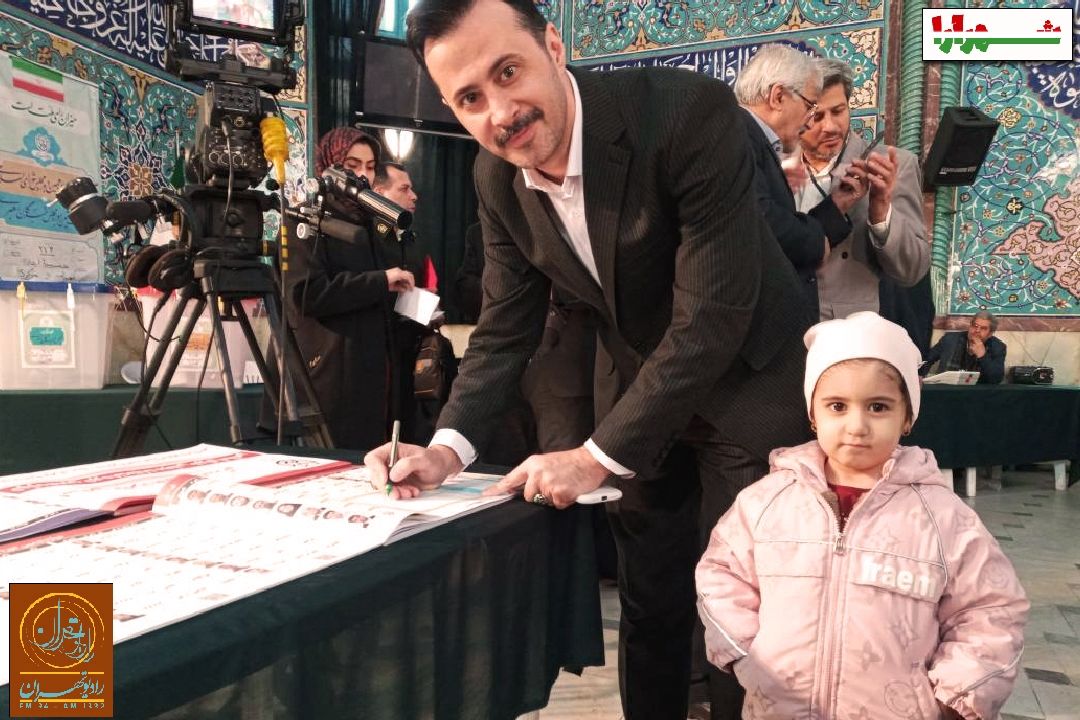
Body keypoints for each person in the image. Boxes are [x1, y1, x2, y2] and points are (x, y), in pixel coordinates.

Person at [364, 1, 811, 718]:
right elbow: (505, 329)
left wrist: (594, 456)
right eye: (470, 98)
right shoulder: (496, 178)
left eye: (508, 72)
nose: (501, 113)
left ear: (552, 44)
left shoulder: (686, 113)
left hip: (749, 382)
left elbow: (712, 317)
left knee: (744, 617)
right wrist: (446, 450)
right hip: (640, 391)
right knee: (651, 600)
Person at [696, 311, 1028, 719]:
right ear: (813, 414)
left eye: (878, 407)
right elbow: (722, 573)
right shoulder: (766, 502)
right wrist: (747, 654)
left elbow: (990, 608)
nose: (857, 426)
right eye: (837, 406)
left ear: (907, 417)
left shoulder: (943, 518)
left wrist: (955, 695)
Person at [284, 128, 416, 449]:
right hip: (327, 376)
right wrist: (380, 281)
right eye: (352, 165)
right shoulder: (304, 219)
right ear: (328, 166)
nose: (362, 175)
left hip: (371, 375)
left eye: (370, 167)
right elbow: (306, 294)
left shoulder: (371, 224)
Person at [736, 45, 870, 312]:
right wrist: (816, 244)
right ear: (778, 97)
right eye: (811, 109)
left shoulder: (753, 140)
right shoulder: (738, 137)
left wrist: (836, 206)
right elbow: (760, 221)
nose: (809, 123)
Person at [794, 59, 930, 321]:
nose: (830, 126)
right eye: (817, 117)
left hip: (849, 331)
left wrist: (881, 214)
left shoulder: (892, 165)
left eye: (839, 111)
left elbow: (912, 270)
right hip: (785, 326)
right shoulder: (775, 165)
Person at [371, 161, 439, 442]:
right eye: (404, 189)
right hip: (375, 356)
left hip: (410, 355)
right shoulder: (367, 241)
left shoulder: (412, 240)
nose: (414, 196)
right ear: (379, 193)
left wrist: (428, 307)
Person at [922, 310, 1006, 384]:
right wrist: (920, 376)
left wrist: (982, 356)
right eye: (975, 326)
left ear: (990, 334)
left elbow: (996, 379)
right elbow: (927, 360)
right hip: (947, 389)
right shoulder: (950, 339)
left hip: (978, 393)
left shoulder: (998, 347)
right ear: (970, 326)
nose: (977, 330)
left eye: (983, 328)